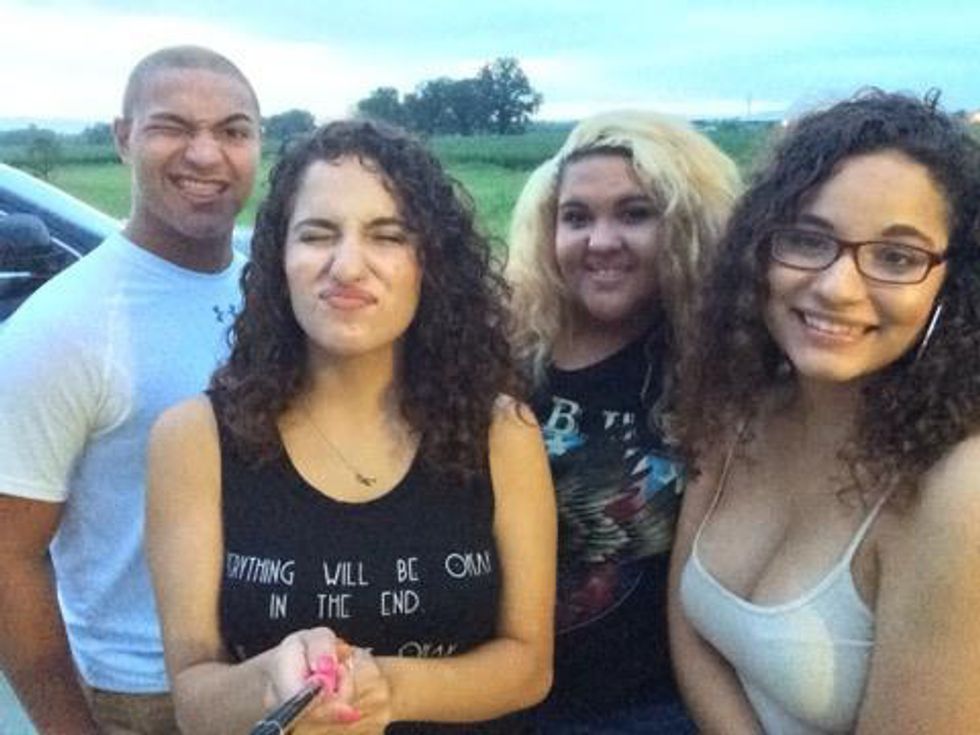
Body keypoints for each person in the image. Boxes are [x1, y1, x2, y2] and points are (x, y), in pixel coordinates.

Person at [145, 119, 556, 734]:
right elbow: (195, 701)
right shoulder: (193, 438)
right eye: (317, 235)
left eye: (387, 236)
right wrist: (272, 682)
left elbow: (528, 666)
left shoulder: (502, 432)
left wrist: (386, 689)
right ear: (278, 260)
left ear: (430, 264)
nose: (347, 266)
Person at [669, 90, 980, 733]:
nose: (838, 287)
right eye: (809, 240)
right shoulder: (739, 413)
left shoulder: (957, 491)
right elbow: (687, 624)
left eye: (897, 257)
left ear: (953, 284)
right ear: (760, 250)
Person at [0, 46, 260, 733]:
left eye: (233, 131)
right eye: (172, 126)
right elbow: (8, 555)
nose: (205, 154)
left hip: (275, 673)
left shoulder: (270, 292)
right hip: (145, 695)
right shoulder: (68, 326)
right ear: (123, 138)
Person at [506, 110, 739, 731]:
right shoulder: (503, 351)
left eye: (635, 214)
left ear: (685, 227)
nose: (601, 241)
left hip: (647, 709)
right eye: (576, 217)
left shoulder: (721, 369)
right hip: (490, 697)